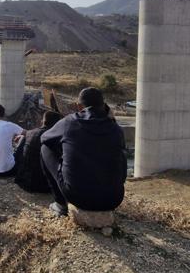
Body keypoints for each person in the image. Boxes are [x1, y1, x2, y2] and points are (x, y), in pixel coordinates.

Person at [41, 87, 127, 216]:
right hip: (114, 199)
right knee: (120, 152)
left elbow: (44, 138)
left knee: (45, 148)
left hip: (78, 198)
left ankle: (60, 204)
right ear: (103, 105)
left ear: (79, 106)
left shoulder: (70, 122)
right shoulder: (116, 129)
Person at [14, 110, 63, 193]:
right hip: (42, 185)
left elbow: (18, 154)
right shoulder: (54, 136)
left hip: (23, 180)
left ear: (42, 121)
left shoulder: (29, 133)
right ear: (57, 124)